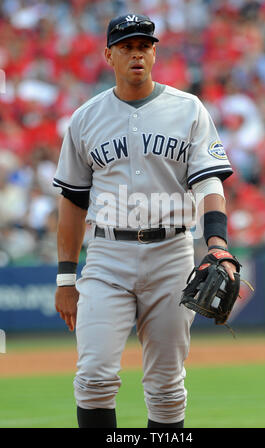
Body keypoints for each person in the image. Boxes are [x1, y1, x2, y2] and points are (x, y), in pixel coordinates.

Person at [53, 13, 237, 429]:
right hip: (106, 256)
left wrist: (217, 242)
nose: (137, 53)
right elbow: (72, 200)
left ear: (154, 53)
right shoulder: (85, 118)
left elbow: (210, 183)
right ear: (109, 56)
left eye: (144, 46)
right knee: (94, 378)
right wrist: (66, 278)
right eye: (126, 47)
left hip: (172, 253)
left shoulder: (189, 109)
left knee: (167, 387)